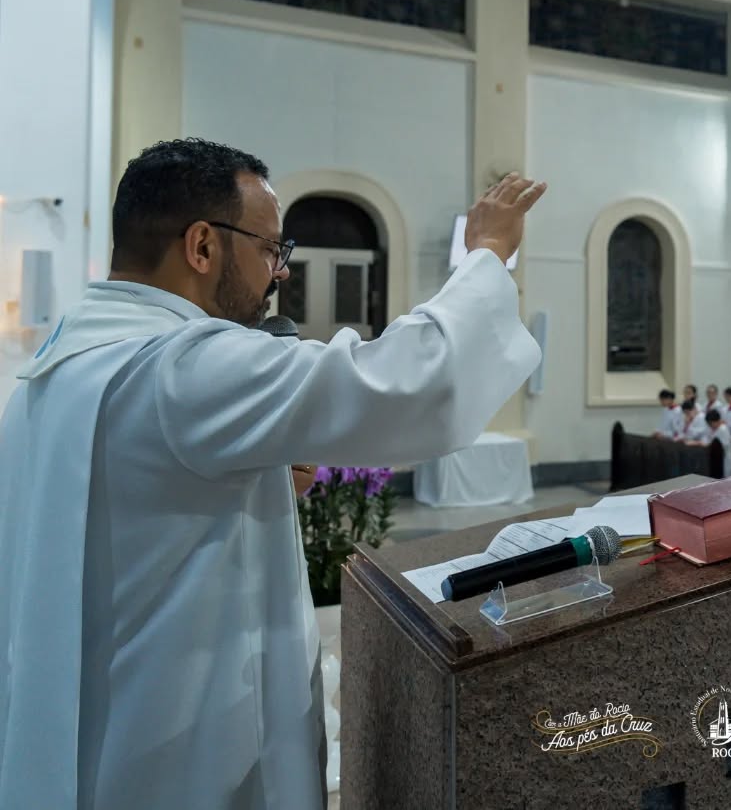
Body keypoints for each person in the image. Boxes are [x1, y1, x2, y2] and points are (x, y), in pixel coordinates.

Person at [0, 140, 545, 809]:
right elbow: (414, 382)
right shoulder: (183, 365)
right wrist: (487, 251)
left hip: (101, 735)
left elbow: (119, 517)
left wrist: (251, 482)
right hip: (189, 753)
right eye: (269, 249)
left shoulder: (59, 365)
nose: (278, 273)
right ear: (202, 246)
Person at [689, 409, 731, 477]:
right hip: (716, 461)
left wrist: (702, 444)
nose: (710, 426)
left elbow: (717, 446)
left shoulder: (722, 429)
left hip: (724, 461)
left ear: (716, 421)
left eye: (710, 424)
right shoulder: (715, 429)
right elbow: (708, 441)